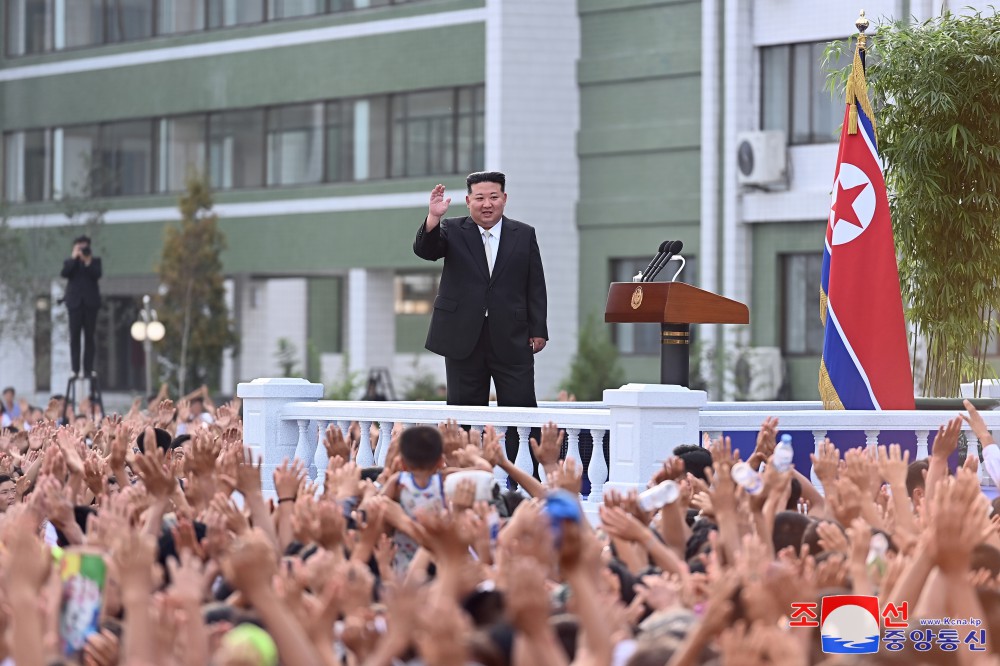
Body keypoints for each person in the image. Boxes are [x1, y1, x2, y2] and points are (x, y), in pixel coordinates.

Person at [413, 172, 548, 407]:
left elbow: (535, 285)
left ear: (504, 198)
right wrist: (433, 217)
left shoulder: (524, 234)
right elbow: (427, 251)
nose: (487, 204)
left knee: (520, 409)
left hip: (512, 336)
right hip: (462, 336)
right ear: (468, 201)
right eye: (479, 198)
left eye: (493, 197)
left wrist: (539, 330)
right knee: (465, 413)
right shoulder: (453, 229)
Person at [61, 235, 102, 378]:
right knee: (74, 337)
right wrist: (74, 258)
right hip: (75, 304)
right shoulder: (70, 263)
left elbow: (97, 274)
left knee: (89, 337)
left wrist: (87, 261)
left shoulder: (95, 262)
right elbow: (65, 273)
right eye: (80, 247)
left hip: (90, 304)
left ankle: (88, 369)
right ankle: (75, 369)